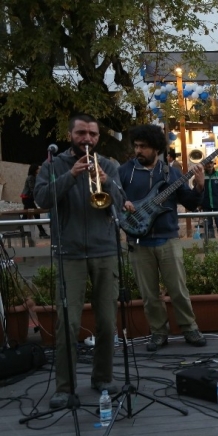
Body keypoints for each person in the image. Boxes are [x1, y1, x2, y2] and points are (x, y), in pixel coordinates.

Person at [34, 114, 124, 409]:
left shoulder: (109, 165)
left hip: (104, 250)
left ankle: (103, 377)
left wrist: (107, 181)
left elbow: (122, 202)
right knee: (68, 324)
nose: (87, 139)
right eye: (82, 133)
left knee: (107, 321)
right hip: (69, 252)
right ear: (70, 133)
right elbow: (41, 199)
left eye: (93, 134)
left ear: (99, 137)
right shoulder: (52, 165)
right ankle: (65, 386)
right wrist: (71, 175)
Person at [119, 124, 207, 352]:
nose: (138, 150)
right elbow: (113, 199)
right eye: (136, 146)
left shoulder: (171, 173)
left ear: (156, 148)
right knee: (149, 295)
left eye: (144, 147)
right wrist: (123, 205)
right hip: (138, 241)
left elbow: (190, 203)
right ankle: (158, 332)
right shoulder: (125, 172)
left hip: (168, 238)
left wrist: (199, 186)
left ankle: (189, 328)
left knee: (178, 289)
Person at [20, 163, 50, 238]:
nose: (38, 170)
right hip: (27, 199)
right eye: (37, 168)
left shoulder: (33, 177)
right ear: (34, 170)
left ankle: (18, 229)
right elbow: (32, 189)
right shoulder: (31, 178)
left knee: (25, 216)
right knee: (36, 214)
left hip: (28, 199)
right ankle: (42, 231)